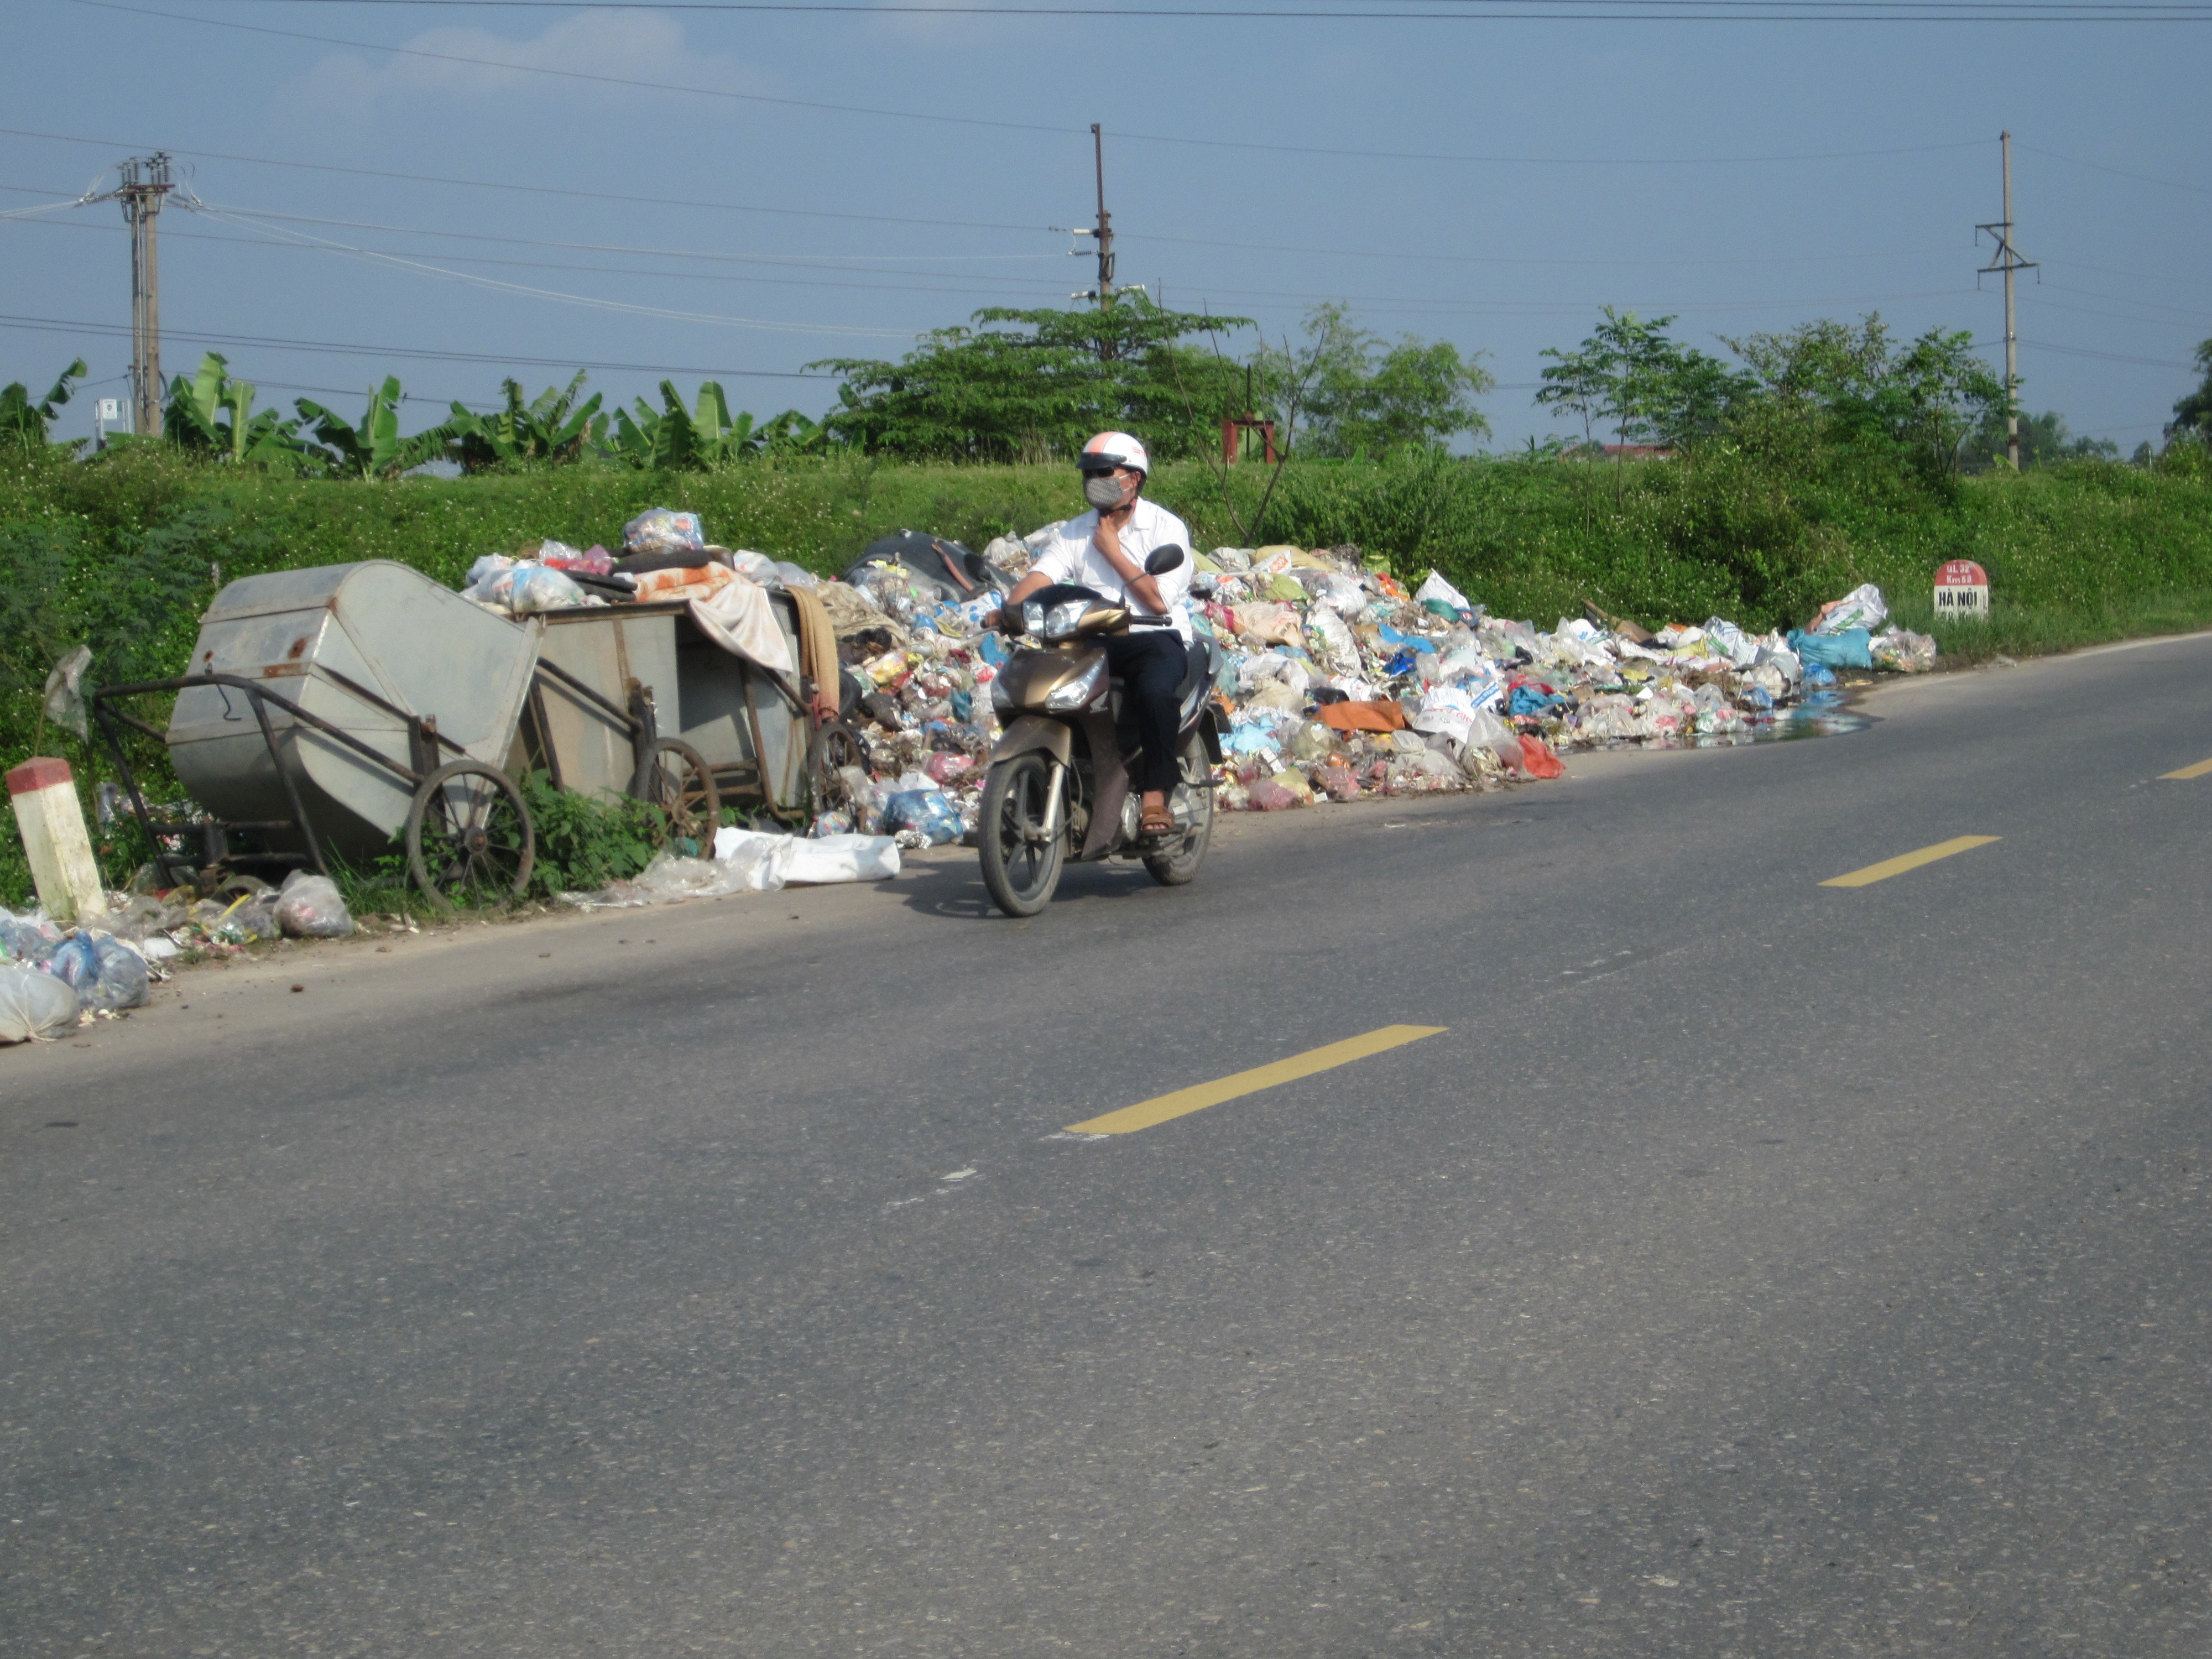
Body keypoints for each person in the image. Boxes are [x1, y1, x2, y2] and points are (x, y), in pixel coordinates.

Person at [995, 431, 1194, 841]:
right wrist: (1008, 610)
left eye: (1104, 472)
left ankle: (1156, 794)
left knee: (1155, 694)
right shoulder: (1074, 532)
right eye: (1089, 473)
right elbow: (1040, 576)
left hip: (1153, 638)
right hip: (1089, 640)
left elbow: (1158, 601)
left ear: (1134, 479)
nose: (1093, 481)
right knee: (1039, 685)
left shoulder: (1165, 528)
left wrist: (1112, 550)